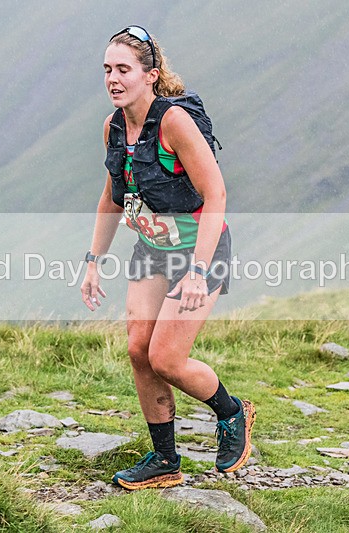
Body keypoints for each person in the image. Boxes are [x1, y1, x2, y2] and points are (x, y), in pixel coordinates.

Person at [80, 25, 255, 491]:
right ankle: (165, 460)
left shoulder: (175, 122)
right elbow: (111, 199)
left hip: (201, 248)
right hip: (152, 249)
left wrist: (199, 271)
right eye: (107, 70)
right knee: (139, 350)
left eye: (123, 69)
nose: (112, 79)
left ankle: (232, 411)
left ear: (150, 75)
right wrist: (93, 260)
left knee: (166, 358)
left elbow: (216, 192)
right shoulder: (113, 127)